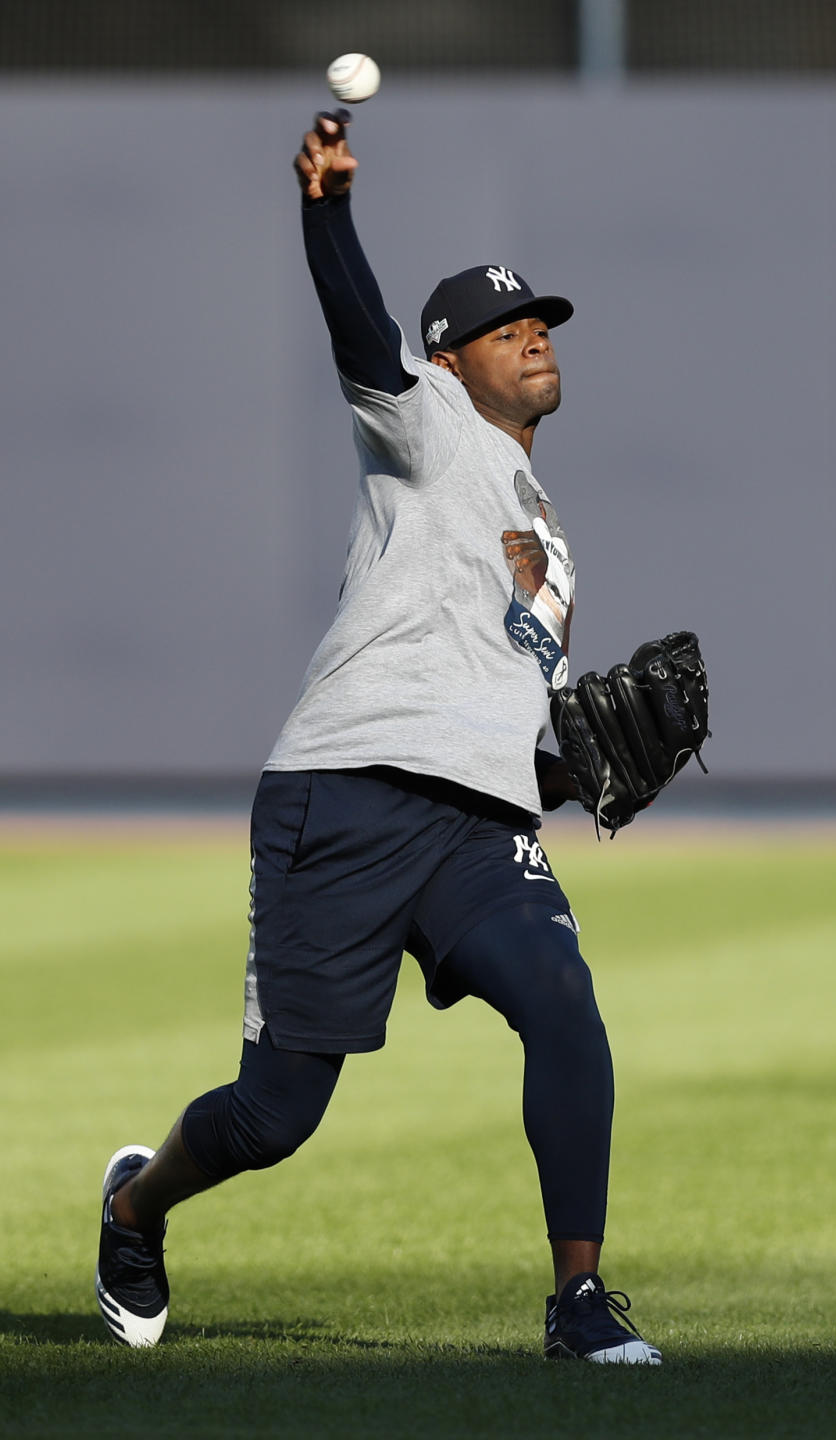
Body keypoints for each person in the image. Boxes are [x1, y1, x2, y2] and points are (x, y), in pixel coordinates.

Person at [94, 109, 662, 1367]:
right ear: (449, 363)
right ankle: (136, 1207)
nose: (532, 335)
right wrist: (327, 207)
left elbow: (513, 718)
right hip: (343, 792)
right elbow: (360, 329)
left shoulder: (552, 531)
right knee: (276, 1114)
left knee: (566, 1008)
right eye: (503, 328)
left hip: (475, 825)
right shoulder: (423, 427)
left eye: (542, 324)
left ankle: (578, 1303)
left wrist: (581, 774)